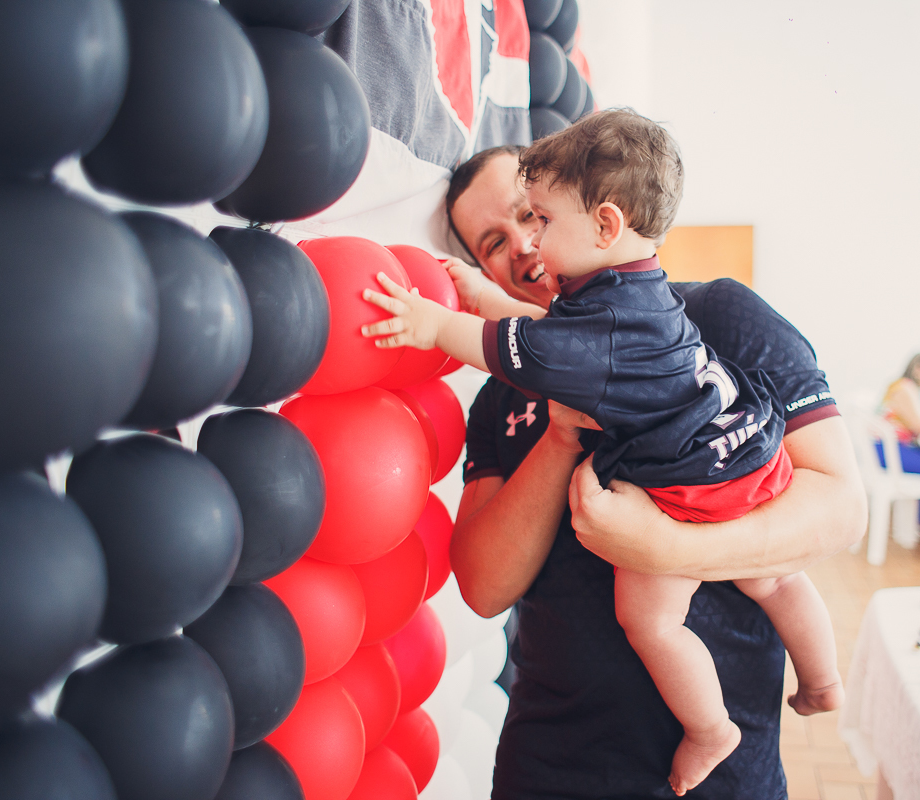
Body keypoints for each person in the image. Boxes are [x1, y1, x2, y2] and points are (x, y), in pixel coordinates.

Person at [364, 140, 866, 797]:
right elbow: (483, 589)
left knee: (676, 611)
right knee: (773, 583)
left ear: (602, 218)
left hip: (723, 782)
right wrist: (559, 437)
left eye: (533, 215)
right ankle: (821, 679)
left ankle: (726, 722)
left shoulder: (718, 313)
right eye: (493, 242)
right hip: (552, 765)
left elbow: (841, 511)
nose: (524, 243)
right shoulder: (502, 397)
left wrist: (667, 548)